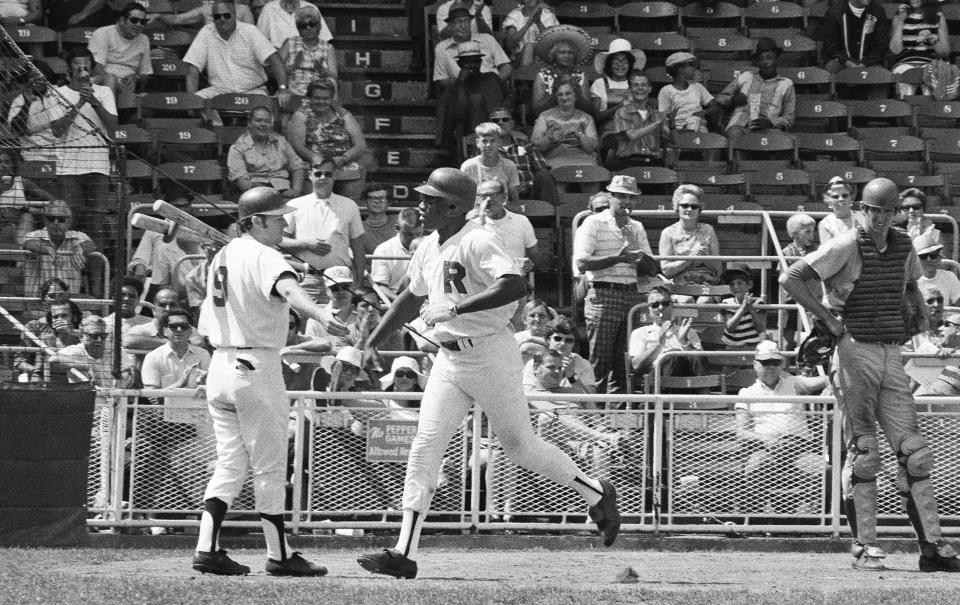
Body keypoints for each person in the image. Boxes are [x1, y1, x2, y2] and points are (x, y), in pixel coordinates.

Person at [356, 167, 620, 579]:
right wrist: (371, 339)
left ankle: (595, 491)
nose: (421, 206)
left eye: (430, 200)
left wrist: (457, 308)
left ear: (454, 206)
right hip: (449, 359)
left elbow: (515, 286)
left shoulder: (478, 238)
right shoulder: (429, 244)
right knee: (425, 445)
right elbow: (411, 297)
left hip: (490, 354)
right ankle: (403, 551)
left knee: (519, 446)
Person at [781, 176, 960, 572]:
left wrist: (920, 317)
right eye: (874, 210)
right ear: (863, 210)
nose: (880, 218)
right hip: (853, 347)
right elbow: (791, 277)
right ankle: (865, 545)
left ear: (895, 212)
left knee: (915, 452)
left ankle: (932, 547)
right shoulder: (846, 243)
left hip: (890, 348)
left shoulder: (901, 243)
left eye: (887, 211)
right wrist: (828, 318)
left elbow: (911, 283)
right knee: (865, 451)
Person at [190, 186, 350, 577]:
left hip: (221, 366)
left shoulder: (223, 255)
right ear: (256, 221)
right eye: (277, 218)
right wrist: (321, 314)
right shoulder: (264, 255)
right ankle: (279, 555)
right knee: (269, 466)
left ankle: (206, 548)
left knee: (230, 463)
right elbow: (289, 289)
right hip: (256, 367)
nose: (285, 223)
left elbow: (204, 326)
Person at [573, 174, 656, 394]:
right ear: (611, 197)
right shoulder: (593, 222)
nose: (626, 202)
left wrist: (637, 249)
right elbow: (581, 263)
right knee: (600, 360)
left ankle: (619, 420)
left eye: (631, 198)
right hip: (603, 294)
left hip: (632, 295)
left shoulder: (637, 227)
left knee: (624, 362)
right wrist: (618, 258)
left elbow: (652, 268)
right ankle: (594, 417)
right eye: (621, 196)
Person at [734, 341, 829, 515]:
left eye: (775, 362)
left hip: (799, 450)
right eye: (765, 362)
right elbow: (741, 433)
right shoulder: (746, 393)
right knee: (756, 465)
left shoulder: (794, 383)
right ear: (755, 364)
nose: (770, 367)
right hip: (765, 450)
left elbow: (827, 380)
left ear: (782, 364)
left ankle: (808, 520)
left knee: (821, 468)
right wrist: (765, 439)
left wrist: (828, 390)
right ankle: (759, 519)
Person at [139, 307, 211, 534]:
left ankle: (196, 517)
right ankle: (158, 517)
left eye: (184, 326)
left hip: (195, 423)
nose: (179, 330)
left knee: (205, 463)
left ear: (191, 330)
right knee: (154, 461)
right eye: (173, 326)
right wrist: (181, 383)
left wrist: (203, 383)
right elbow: (152, 397)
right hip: (161, 426)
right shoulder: (154, 357)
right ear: (164, 331)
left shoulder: (203, 355)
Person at [51, 47, 118, 251]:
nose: (82, 66)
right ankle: (69, 280)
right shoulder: (58, 93)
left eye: (86, 62)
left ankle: (97, 282)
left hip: (98, 167)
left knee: (95, 227)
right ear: (69, 68)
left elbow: (114, 128)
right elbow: (57, 130)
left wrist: (94, 101)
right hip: (69, 169)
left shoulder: (104, 92)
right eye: (77, 63)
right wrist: (80, 101)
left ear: (91, 66)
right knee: (69, 225)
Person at [282, 154, 367, 302]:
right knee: (304, 323)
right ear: (310, 176)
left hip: (340, 280)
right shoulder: (295, 205)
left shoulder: (349, 205)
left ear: (335, 176)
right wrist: (307, 244)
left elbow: (358, 248)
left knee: (339, 323)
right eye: (318, 174)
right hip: (306, 279)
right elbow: (278, 241)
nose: (323, 178)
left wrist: (358, 282)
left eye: (328, 174)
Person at [183, 1, 291, 113]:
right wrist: (191, 99)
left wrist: (283, 88)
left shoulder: (250, 31)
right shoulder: (206, 32)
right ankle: (217, 127)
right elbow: (193, 68)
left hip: (253, 91)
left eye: (226, 15)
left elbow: (275, 59)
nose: (222, 19)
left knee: (263, 112)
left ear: (234, 15)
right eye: (217, 16)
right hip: (219, 92)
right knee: (197, 101)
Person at [284, 78, 366, 200]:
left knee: (353, 176)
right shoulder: (301, 115)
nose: (321, 102)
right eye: (317, 98)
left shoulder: (344, 115)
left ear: (332, 99)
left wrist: (344, 158)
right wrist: (318, 160)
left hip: (342, 162)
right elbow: (297, 146)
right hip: (314, 162)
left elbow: (360, 145)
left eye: (325, 98)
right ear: (310, 98)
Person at [435, 39, 512, 164]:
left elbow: (509, 96)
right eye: (467, 62)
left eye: (475, 61)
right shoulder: (454, 87)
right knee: (476, 100)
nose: (472, 65)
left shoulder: (492, 78)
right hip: (472, 131)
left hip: (500, 124)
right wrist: (461, 82)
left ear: (481, 62)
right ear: (459, 64)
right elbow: (457, 114)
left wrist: (503, 112)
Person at [714, 37, 796, 139]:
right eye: (761, 59)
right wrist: (733, 100)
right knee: (734, 135)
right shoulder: (747, 76)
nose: (765, 62)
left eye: (769, 57)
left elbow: (788, 118)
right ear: (757, 62)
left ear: (776, 59)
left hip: (769, 129)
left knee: (786, 141)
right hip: (740, 127)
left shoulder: (786, 84)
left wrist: (771, 122)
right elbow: (719, 97)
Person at [21, 199, 103, 298]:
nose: (56, 222)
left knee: (91, 306)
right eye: (51, 218)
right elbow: (28, 243)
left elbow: (90, 244)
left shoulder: (76, 237)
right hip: (38, 303)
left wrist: (79, 248)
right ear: (45, 220)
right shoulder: (33, 236)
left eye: (61, 219)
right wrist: (48, 249)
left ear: (69, 221)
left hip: (69, 304)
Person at [227, 105, 305, 198]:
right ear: (249, 123)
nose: (263, 124)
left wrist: (296, 190)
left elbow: (297, 166)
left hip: (283, 191)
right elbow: (241, 181)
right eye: (258, 120)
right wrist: (269, 195)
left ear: (271, 124)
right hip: (254, 193)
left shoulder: (281, 141)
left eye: (267, 121)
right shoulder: (237, 147)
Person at [629, 285, 703, 381]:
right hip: (657, 379)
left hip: (689, 377)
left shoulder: (687, 330)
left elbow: (701, 364)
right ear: (649, 308)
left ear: (671, 305)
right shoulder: (640, 333)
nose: (660, 308)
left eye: (665, 303)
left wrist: (684, 342)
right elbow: (636, 365)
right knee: (673, 356)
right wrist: (658, 343)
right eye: (655, 305)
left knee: (680, 356)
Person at [658, 184, 720, 297]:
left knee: (705, 301)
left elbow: (717, 268)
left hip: (707, 284)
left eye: (694, 206)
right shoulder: (668, 233)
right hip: (679, 285)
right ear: (677, 207)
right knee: (685, 300)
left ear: (699, 209)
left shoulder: (709, 230)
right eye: (685, 206)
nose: (689, 209)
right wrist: (689, 259)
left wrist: (705, 257)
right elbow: (666, 270)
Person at [487, 107, 558, 205]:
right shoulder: (484, 149)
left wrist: (528, 185)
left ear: (512, 124)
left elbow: (543, 170)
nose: (500, 122)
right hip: (501, 195)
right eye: (495, 120)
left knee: (545, 176)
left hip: (530, 193)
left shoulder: (527, 146)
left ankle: (549, 218)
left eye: (505, 119)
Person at [592, 39, 646, 165]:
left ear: (630, 63)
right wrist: (620, 105)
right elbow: (597, 116)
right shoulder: (600, 84)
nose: (620, 64)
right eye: (616, 60)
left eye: (624, 60)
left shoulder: (636, 83)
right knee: (616, 145)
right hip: (610, 131)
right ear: (609, 63)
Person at [531, 79, 599, 169]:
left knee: (592, 177)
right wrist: (549, 138)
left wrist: (581, 136)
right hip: (555, 159)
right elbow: (535, 147)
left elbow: (592, 148)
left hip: (583, 159)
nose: (564, 97)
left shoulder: (586, 118)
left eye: (568, 93)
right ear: (556, 98)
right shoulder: (545, 116)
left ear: (576, 96)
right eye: (560, 95)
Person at [87, 2, 152, 95]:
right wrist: (116, 81)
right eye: (134, 20)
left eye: (143, 22)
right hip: (101, 82)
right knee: (110, 79)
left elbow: (145, 74)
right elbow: (97, 70)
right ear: (122, 20)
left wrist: (136, 78)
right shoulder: (103, 33)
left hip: (128, 86)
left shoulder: (144, 39)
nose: (139, 25)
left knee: (147, 97)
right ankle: (110, 109)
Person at [609, 70, 669, 169]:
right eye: (636, 85)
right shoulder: (622, 111)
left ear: (649, 89)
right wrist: (656, 124)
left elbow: (667, 140)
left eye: (644, 85)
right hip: (628, 162)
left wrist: (671, 126)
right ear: (630, 89)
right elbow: (632, 135)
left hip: (653, 162)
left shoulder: (658, 114)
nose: (640, 88)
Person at [890, 0, 951, 97]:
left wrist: (932, 40)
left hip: (930, 62)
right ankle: (904, 109)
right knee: (907, 79)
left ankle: (930, 111)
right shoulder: (900, 15)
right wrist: (901, 20)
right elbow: (895, 49)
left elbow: (945, 52)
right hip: (904, 62)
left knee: (929, 75)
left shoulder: (938, 15)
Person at [530, 25, 593, 116]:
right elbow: (536, 111)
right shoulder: (542, 76)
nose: (566, 56)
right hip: (549, 121)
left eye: (570, 53)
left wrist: (577, 92)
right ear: (554, 55)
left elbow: (588, 111)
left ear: (575, 56)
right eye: (562, 52)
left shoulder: (580, 76)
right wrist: (555, 90)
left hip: (576, 121)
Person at [278, 3, 337, 98]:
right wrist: (294, 66)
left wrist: (321, 70)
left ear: (319, 26)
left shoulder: (328, 48)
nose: (308, 28)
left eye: (312, 24)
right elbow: (276, 70)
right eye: (303, 25)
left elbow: (334, 76)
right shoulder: (289, 43)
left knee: (332, 82)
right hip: (293, 92)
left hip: (318, 92)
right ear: (298, 29)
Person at [14, 300, 80, 382]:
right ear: (51, 320)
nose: (59, 320)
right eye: (55, 317)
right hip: (49, 385)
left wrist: (70, 331)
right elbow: (37, 370)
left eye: (64, 316)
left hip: (78, 384)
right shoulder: (45, 339)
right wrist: (36, 375)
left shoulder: (84, 337)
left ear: (75, 317)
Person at [461, 122, 521, 209]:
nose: (488, 145)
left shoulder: (509, 166)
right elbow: (464, 198)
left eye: (493, 141)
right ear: (478, 143)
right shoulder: (468, 166)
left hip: (502, 211)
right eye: (484, 141)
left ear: (499, 142)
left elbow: (515, 198)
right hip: (477, 211)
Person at [821, 0, 891, 74]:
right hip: (842, 62)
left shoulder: (878, 12)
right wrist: (846, 62)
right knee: (831, 68)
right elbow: (830, 47)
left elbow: (881, 45)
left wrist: (865, 63)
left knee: (881, 74)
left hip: (870, 62)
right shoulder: (834, 13)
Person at [0, 147, 52, 247]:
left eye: (7, 162)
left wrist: (30, 210)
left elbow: (50, 199)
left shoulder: (21, 182)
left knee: (27, 217)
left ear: (12, 165)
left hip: (17, 223)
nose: (3, 165)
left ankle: (21, 256)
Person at [370, 207, 423, 302]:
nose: (414, 239)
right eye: (409, 234)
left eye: (418, 234)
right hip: (394, 301)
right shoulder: (383, 250)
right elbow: (380, 288)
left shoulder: (430, 245)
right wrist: (401, 303)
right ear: (397, 228)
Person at [658, 52, 718, 134]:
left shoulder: (697, 87)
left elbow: (714, 106)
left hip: (698, 126)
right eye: (691, 65)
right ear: (680, 69)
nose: (694, 69)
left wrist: (703, 112)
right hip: (676, 129)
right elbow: (662, 115)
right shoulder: (666, 91)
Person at [720, 263, 766, 349]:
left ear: (749, 285)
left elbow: (760, 329)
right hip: (731, 345)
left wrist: (752, 310)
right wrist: (743, 309)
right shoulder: (726, 303)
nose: (735, 286)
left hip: (753, 345)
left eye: (739, 283)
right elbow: (729, 328)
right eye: (732, 284)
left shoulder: (758, 302)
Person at [501, 0, 558, 66]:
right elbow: (510, 44)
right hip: (519, 59)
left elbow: (552, 42)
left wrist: (539, 23)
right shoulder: (514, 15)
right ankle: (527, 74)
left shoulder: (548, 15)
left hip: (543, 58)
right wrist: (528, 24)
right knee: (529, 46)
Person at [257, 0, 333, 49]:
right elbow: (260, 41)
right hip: (278, 60)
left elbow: (324, 39)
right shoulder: (269, 8)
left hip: (308, 57)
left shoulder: (311, 8)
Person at [915, 230, 960, 305]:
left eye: (933, 255)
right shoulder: (911, 282)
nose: (928, 260)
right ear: (916, 260)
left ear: (939, 258)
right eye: (923, 256)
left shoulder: (949, 277)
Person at [358, 183, 397, 265]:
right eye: (372, 198)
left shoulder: (398, 222)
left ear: (389, 202)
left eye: (382, 198)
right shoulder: (358, 227)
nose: (377, 201)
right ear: (365, 201)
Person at [817, 176, 857, 243]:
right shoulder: (826, 224)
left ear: (851, 198)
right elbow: (828, 252)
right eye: (835, 197)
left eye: (845, 195)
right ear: (829, 201)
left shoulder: (863, 218)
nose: (841, 199)